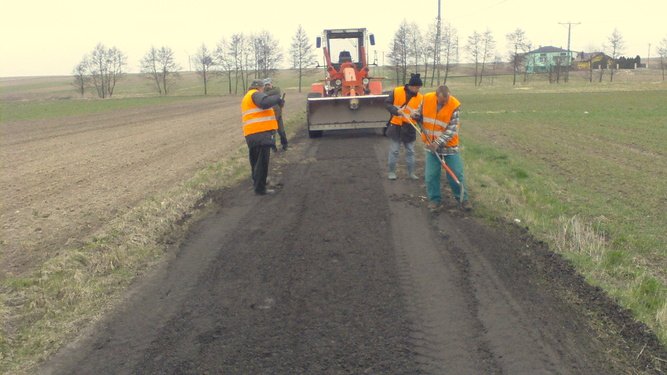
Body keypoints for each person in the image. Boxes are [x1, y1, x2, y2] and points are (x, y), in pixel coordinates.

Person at [420, 85, 470, 211]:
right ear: (436, 96)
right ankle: (434, 200)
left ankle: (463, 199)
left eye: (447, 100)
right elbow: (418, 112)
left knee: (456, 174)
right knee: (431, 175)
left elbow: (452, 129)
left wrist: (438, 142)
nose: (445, 103)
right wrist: (416, 115)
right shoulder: (426, 99)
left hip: (449, 147)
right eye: (442, 101)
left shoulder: (454, 105)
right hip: (431, 147)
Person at [240, 79, 284, 195]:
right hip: (260, 132)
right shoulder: (255, 94)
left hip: (252, 133)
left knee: (255, 161)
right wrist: (277, 98)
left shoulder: (248, 96)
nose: (263, 90)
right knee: (262, 162)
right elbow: (264, 103)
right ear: (260, 87)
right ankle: (260, 189)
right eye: (263, 88)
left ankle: (258, 181)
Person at [384, 73, 424, 180]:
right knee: (394, 150)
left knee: (410, 151)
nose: (418, 90)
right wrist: (396, 111)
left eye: (419, 88)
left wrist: (416, 116)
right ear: (412, 86)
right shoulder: (397, 91)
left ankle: (411, 173)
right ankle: (391, 172)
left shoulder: (421, 98)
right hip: (396, 126)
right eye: (417, 87)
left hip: (409, 127)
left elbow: (421, 115)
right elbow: (387, 104)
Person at [263, 78, 288, 151]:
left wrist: (281, 102)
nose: (267, 86)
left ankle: (285, 145)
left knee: (281, 131)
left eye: (268, 84)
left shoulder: (276, 90)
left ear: (271, 84)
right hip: (270, 117)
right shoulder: (263, 93)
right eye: (266, 85)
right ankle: (273, 147)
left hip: (278, 114)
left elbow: (277, 92)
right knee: (272, 134)